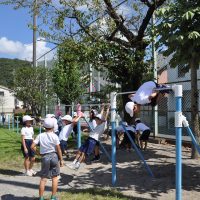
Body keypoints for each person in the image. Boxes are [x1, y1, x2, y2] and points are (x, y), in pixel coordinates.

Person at [31, 117, 63, 200]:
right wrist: (61, 159)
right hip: (54, 156)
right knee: (55, 177)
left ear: (44, 127)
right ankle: (53, 197)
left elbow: (32, 146)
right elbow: (58, 149)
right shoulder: (55, 136)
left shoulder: (40, 136)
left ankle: (41, 198)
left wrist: (39, 153)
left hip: (45, 156)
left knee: (43, 178)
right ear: (53, 127)